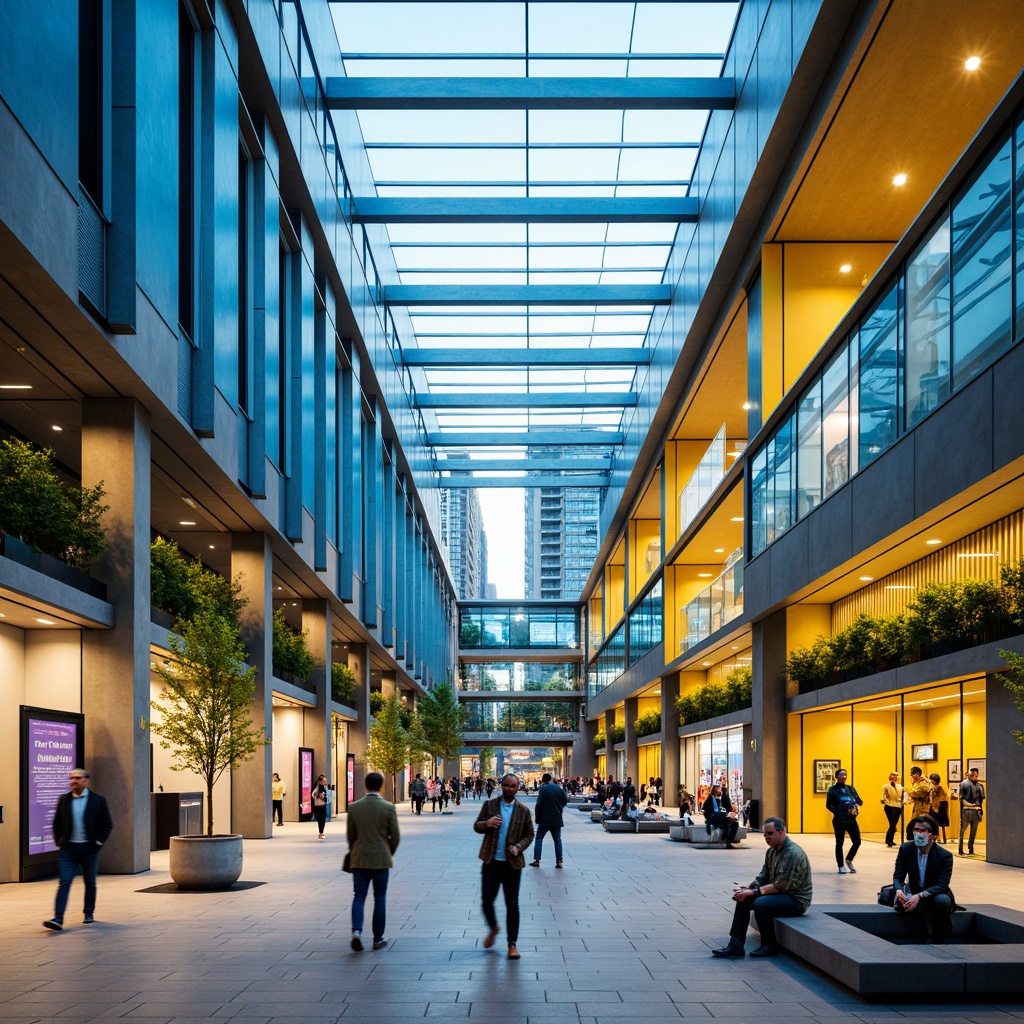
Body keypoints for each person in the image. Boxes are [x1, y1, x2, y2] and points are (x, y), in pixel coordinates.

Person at [711, 816, 812, 958]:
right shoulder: (772, 851)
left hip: (795, 899)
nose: (766, 837)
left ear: (782, 831)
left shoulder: (792, 853)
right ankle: (736, 945)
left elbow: (782, 885)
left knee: (761, 904)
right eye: (765, 834)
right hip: (780, 893)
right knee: (743, 899)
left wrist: (754, 892)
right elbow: (764, 874)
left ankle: (769, 945)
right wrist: (750, 888)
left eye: (770, 834)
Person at [474, 773, 535, 961]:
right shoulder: (490, 805)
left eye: (513, 786)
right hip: (491, 861)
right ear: (502, 786)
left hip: (512, 864)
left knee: (512, 904)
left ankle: (512, 945)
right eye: (506, 785)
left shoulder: (523, 811)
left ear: (518, 788)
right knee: (486, 900)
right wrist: (488, 823)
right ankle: (493, 927)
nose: (509, 789)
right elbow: (477, 826)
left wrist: (518, 847)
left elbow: (529, 834)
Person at [43, 768, 114, 931]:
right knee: (64, 882)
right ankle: (58, 918)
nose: (73, 781)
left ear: (86, 781)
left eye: (77, 778)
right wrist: (59, 842)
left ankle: (88, 912)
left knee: (89, 882)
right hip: (68, 850)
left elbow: (108, 823)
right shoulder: (64, 799)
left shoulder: (98, 800)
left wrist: (98, 841)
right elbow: (56, 823)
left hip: (89, 848)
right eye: (71, 778)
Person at [347, 771, 400, 951]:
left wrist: (356, 849)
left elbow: (351, 836)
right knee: (380, 898)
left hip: (359, 858)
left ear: (365, 785)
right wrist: (387, 851)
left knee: (359, 896)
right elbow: (395, 836)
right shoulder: (388, 807)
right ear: (381, 786)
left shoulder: (354, 807)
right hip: (380, 859)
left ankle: (356, 931)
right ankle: (378, 939)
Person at [893, 814, 955, 943]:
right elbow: (898, 876)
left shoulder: (944, 856)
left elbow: (942, 884)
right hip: (913, 892)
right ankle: (925, 932)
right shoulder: (906, 849)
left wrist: (919, 896)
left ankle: (937, 937)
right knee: (902, 902)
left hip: (935, 893)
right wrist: (899, 890)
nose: (918, 833)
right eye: (916, 830)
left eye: (923, 830)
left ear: (933, 834)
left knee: (942, 901)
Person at [826, 768, 863, 873]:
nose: (844, 776)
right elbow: (829, 805)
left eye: (845, 774)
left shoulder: (850, 788)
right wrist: (838, 813)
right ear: (837, 776)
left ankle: (849, 859)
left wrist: (857, 802)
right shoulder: (833, 790)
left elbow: (859, 801)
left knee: (857, 841)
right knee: (839, 843)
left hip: (851, 818)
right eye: (841, 774)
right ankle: (840, 865)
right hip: (839, 820)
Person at [530, 771, 568, 869]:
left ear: (542, 780)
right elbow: (565, 800)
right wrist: (559, 809)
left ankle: (537, 860)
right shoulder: (559, 789)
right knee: (557, 840)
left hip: (545, 819)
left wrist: (537, 818)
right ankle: (559, 861)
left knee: (539, 839)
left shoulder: (543, 789)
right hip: (557, 819)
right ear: (550, 779)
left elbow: (539, 804)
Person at [958, 767, 985, 856]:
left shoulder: (980, 786)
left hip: (976, 810)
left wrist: (980, 809)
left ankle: (971, 848)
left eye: (975, 775)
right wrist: (971, 805)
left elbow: (981, 799)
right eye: (972, 775)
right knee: (962, 830)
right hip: (967, 810)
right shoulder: (964, 784)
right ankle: (960, 849)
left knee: (973, 831)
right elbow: (962, 799)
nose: (974, 776)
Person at [702, 783, 739, 848]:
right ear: (714, 790)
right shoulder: (710, 799)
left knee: (735, 824)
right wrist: (709, 818)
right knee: (722, 816)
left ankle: (728, 841)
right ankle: (724, 835)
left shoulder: (723, 799)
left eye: (720, 789)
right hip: (714, 817)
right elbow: (704, 810)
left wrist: (725, 796)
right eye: (718, 789)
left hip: (723, 818)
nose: (720, 791)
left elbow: (729, 809)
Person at [906, 766, 933, 838]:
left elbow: (917, 793)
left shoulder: (923, 783)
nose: (911, 776)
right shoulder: (917, 783)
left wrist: (907, 791)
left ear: (917, 774)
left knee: (920, 824)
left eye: (912, 774)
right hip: (918, 806)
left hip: (923, 807)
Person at [880, 771, 905, 848]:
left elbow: (903, 795)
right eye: (893, 775)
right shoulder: (886, 786)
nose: (895, 777)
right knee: (893, 824)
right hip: (890, 806)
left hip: (898, 806)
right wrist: (884, 800)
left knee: (893, 824)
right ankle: (889, 840)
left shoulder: (900, 786)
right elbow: (883, 795)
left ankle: (889, 839)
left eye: (897, 775)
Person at [928, 773, 950, 844]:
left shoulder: (937, 788)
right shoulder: (939, 787)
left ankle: (937, 837)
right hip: (939, 808)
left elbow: (936, 800)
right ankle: (938, 837)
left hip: (938, 808)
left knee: (933, 823)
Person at [312, 774, 329, 839]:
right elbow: (313, 795)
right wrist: (319, 795)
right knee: (319, 820)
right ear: (320, 781)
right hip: (317, 806)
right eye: (323, 781)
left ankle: (321, 832)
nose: (325, 782)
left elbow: (326, 796)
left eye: (325, 781)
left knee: (322, 820)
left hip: (322, 806)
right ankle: (321, 832)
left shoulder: (325, 788)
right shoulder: (317, 788)